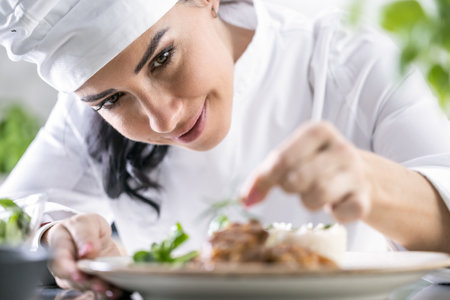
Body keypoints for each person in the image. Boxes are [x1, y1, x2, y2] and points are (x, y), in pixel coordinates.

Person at [1, 0, 450, 298]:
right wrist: (54, 237)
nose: (163, 119)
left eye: (162, 58)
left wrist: (373, 184)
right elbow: (13, 212)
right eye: (113, 100)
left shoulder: (354, 59)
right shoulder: (88, 115)